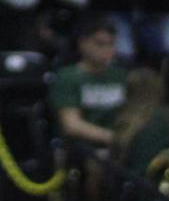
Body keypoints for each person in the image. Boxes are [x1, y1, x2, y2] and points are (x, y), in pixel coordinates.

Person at [51, 19, 127, 152]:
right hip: (83, 147)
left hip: (120, 144)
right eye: (100, 44)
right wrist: (113, 138)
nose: (107, 50)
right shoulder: (68, 77)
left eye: (111, 44)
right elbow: (71, 125)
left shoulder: (121, 76)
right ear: (82, 43)